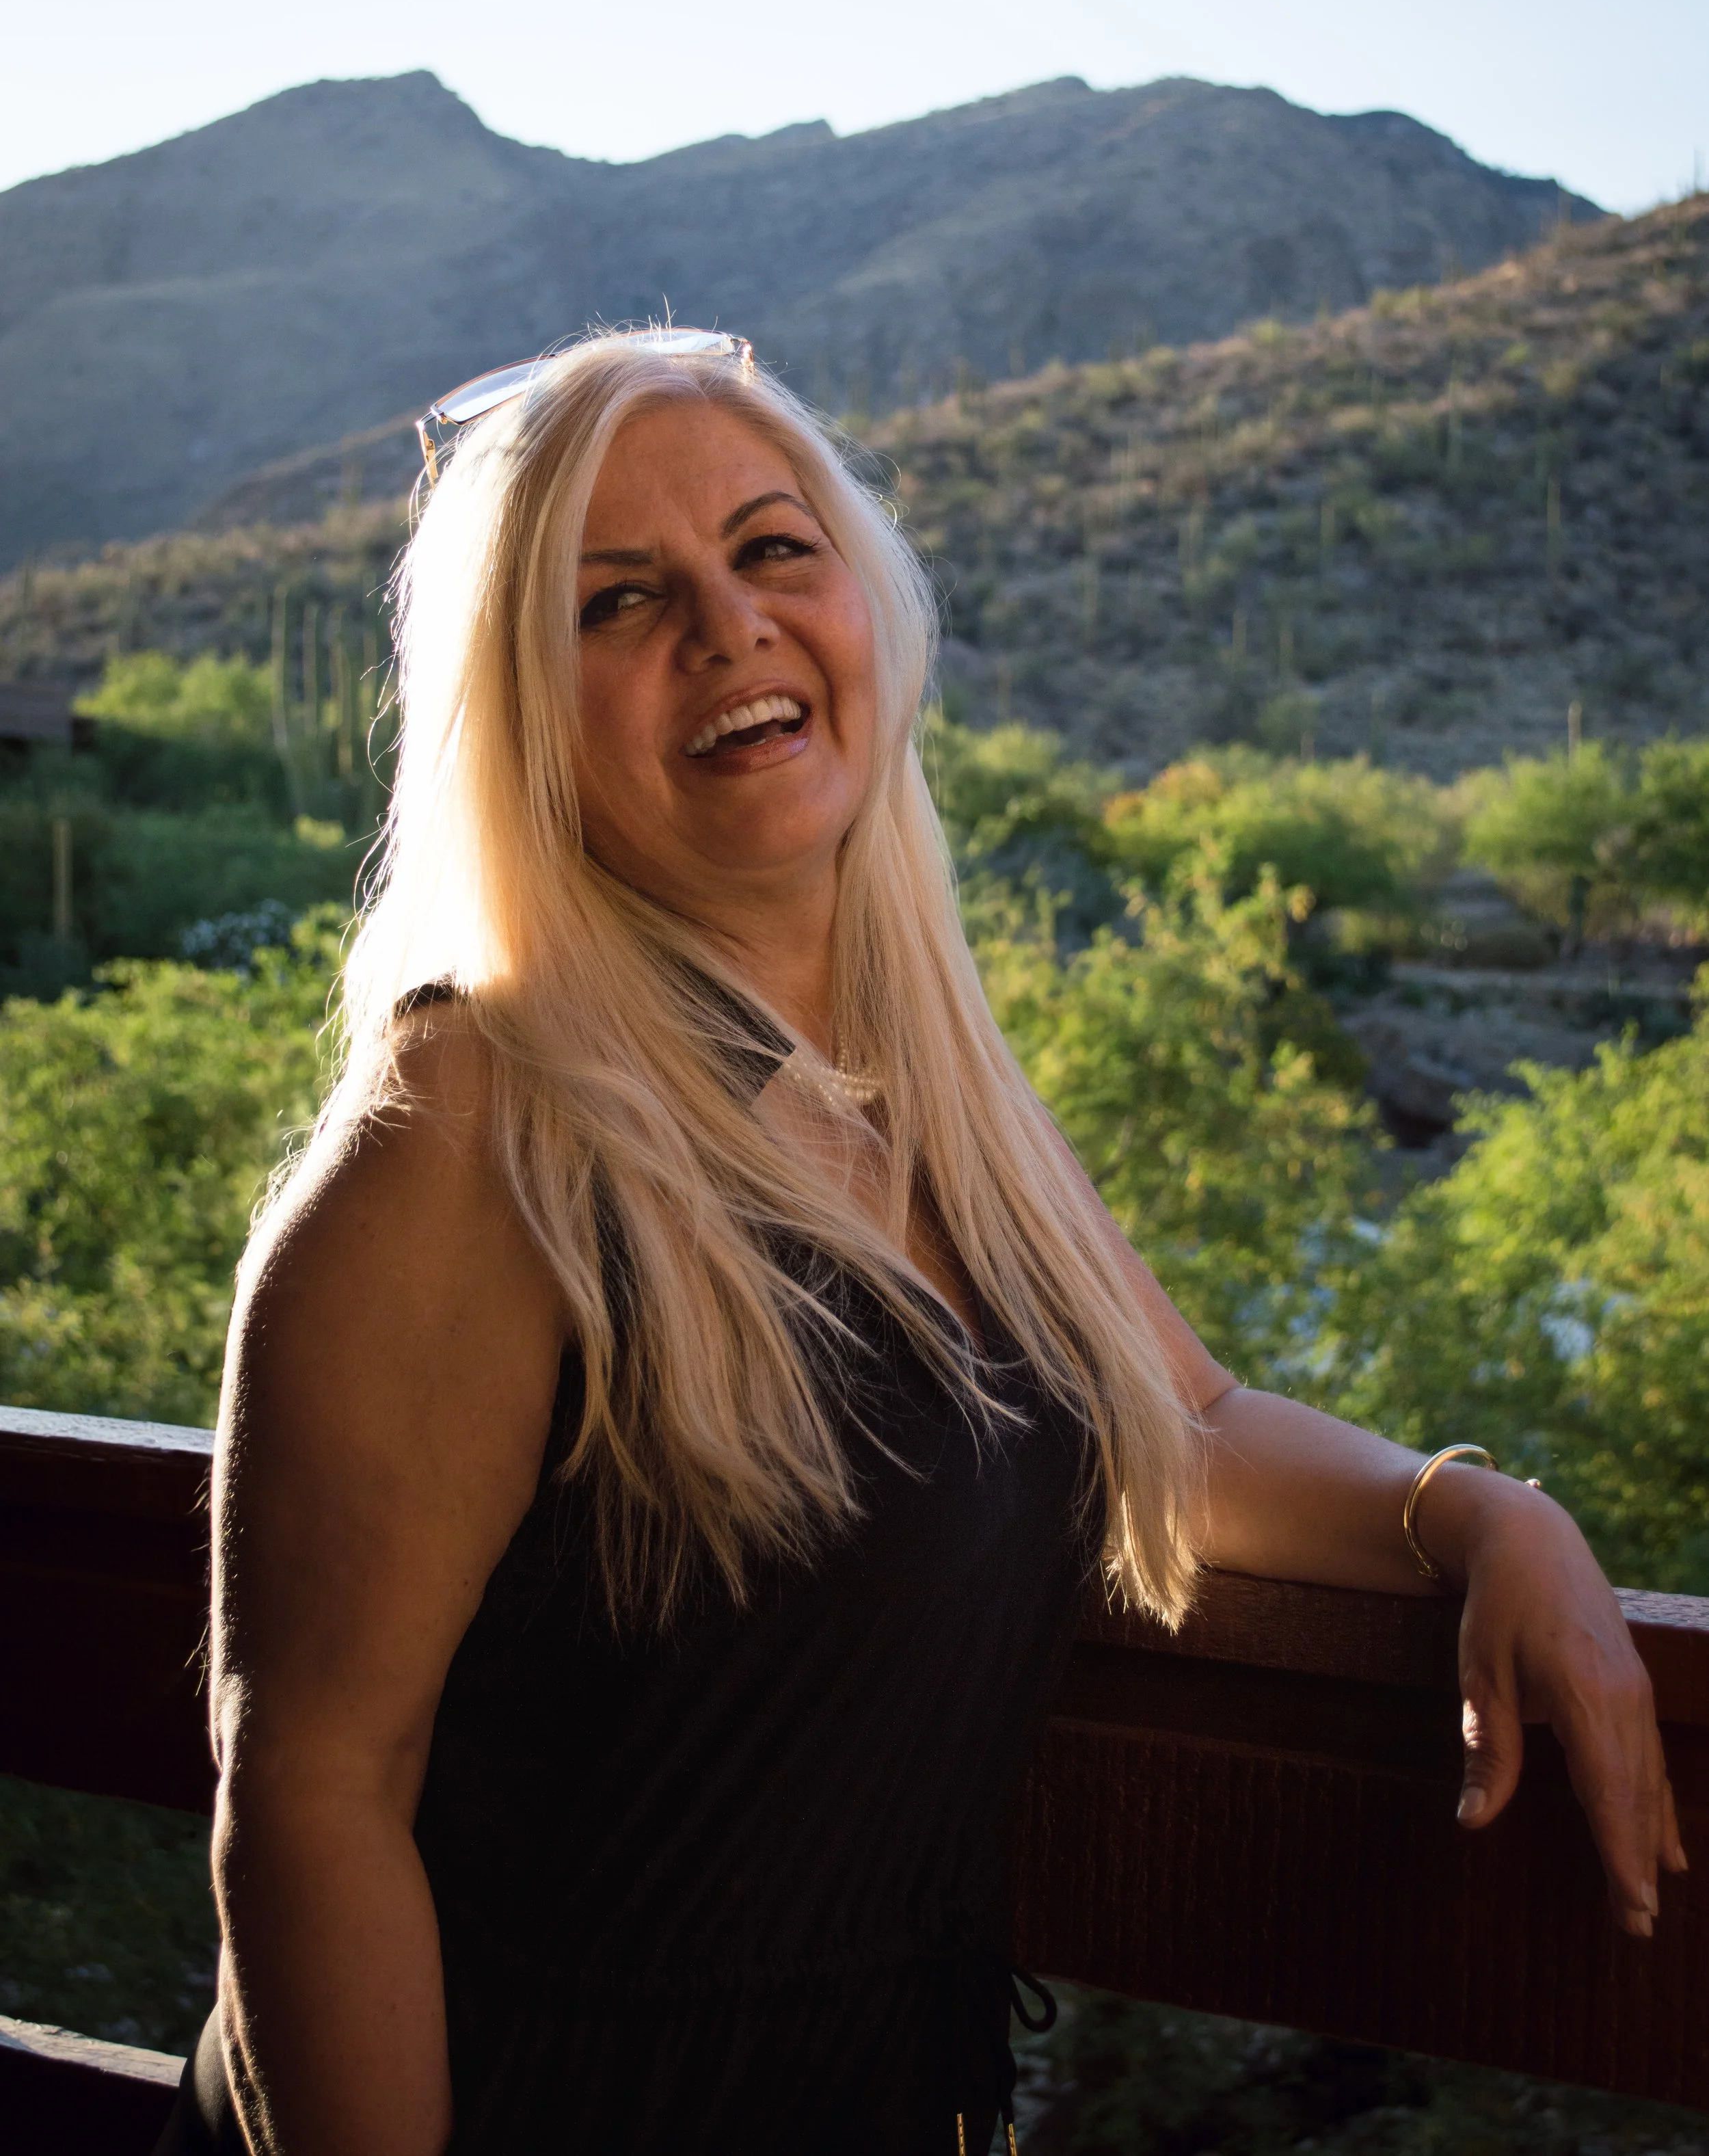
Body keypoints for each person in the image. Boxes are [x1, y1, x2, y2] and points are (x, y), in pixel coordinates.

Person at [159, 329, 1682, 2156]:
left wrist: (1475, 1514)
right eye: (617, 598)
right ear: (524, 719)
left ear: (866, 603)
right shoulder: (475, 1111)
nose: (725, 627)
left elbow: (1176, 1434)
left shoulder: (923, 1084)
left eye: (771, 547)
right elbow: (317, 1792)